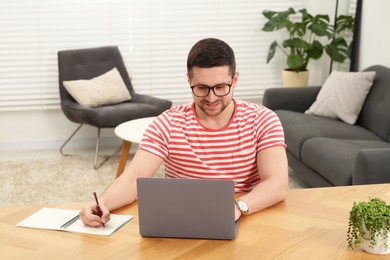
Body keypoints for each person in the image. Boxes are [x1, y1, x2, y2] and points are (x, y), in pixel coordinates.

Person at [80, 38, 288, 227]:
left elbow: (277, 183)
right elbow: (133, 179)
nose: (212, 98)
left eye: (221, 87)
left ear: (235, 80)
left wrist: (237, 207)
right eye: (202, 88)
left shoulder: (263, 119)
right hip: (184, 220)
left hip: (248, 214)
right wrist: (102, 204)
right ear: (189, 79)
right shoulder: (167, 123)